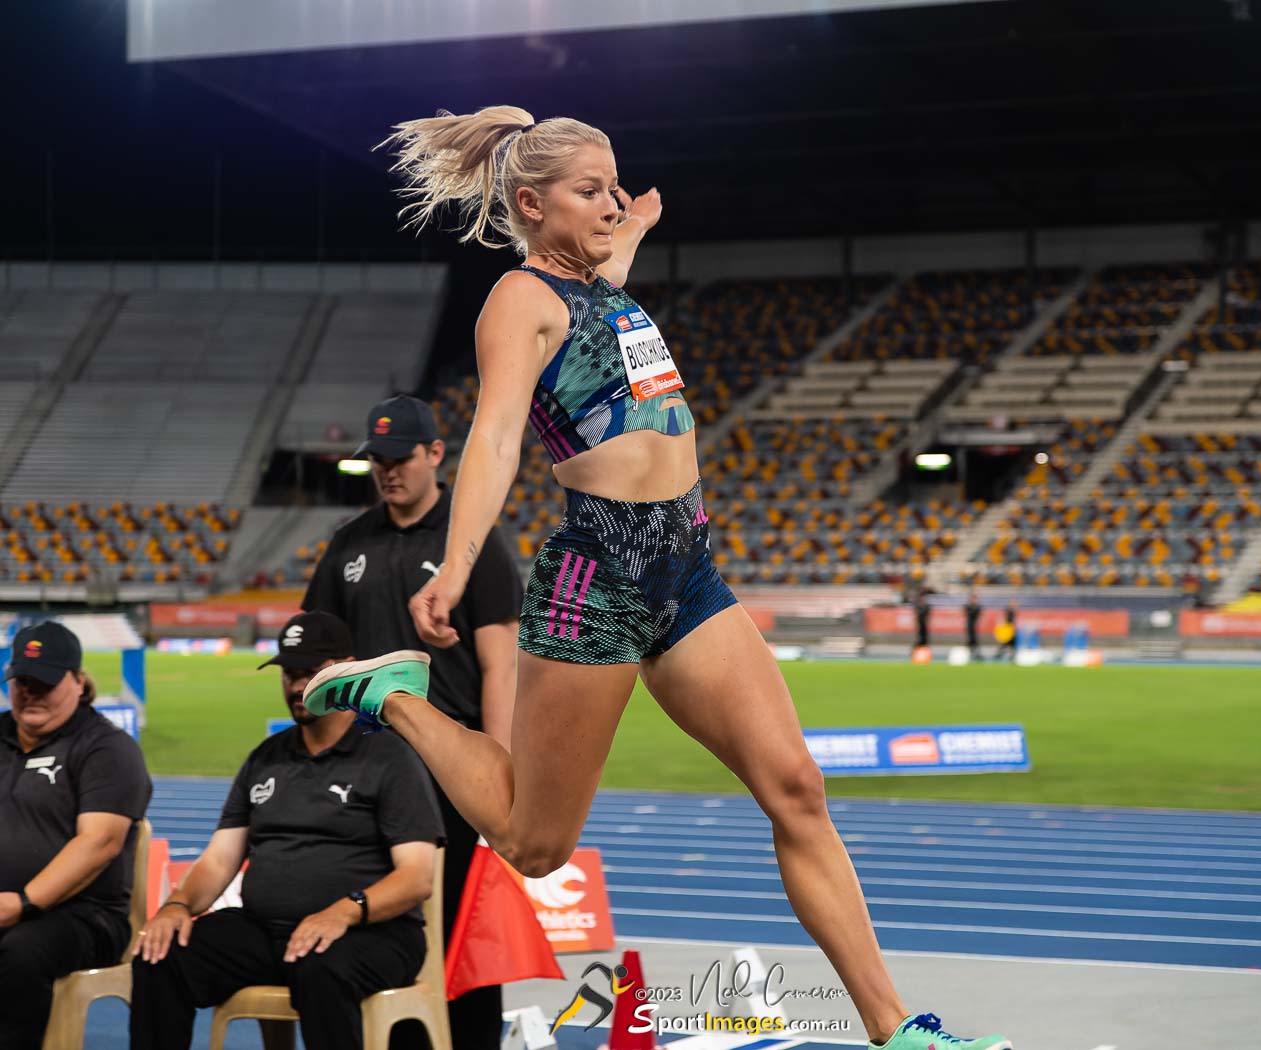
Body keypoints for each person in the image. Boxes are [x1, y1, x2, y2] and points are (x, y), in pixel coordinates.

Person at [304, 105, 1012, 1050]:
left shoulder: (600, 282)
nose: (609, 202)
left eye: (613, 185)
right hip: (598, 573)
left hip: (687, 569)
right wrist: (458, 563)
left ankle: (898, 1031)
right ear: (530, 202)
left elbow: (608, 273)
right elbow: (498, 435)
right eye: (589, 190)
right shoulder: (521, 300)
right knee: (532, 842)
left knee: (796, 785)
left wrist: (628, 223)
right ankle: (400, 699)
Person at [301, 392, 522, 1050]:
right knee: (383, 923)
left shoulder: (471, 539)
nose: (387, 471)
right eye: (377, 460)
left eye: (401, 458)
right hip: (364, 769)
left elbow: (501, 664)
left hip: (447, 767)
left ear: (435, 455)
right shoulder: (350, 542)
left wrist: (498, 769)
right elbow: (319, 649)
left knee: (458, 926)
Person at [129, 612, 444, 1050]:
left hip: (371, 933)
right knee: (159, 956)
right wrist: (176, 906)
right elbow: (220, 859)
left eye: (311, 673)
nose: (298, 687)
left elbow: (417, 876)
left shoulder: (389, 757)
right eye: (290, 674)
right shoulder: (265, 758)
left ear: (348, 667)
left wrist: (343, 911)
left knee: (320, 965)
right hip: (268, 932)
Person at [0, 621, 152, 1050]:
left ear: (78, 682)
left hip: (85, 915)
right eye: (22, 681)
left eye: (44, 683)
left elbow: (99, 843)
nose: (30, 693)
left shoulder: (107, 748)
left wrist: (23, 902)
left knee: (21, 951)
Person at [963, 588, 983, 661]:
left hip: (974, 626)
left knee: (975, 641)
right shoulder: (968, 606)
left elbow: (976, 613)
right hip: (969, 626)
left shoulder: (977, 607)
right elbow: (968, 612)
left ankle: (978, 655)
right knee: (969, 641)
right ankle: (969, 655)